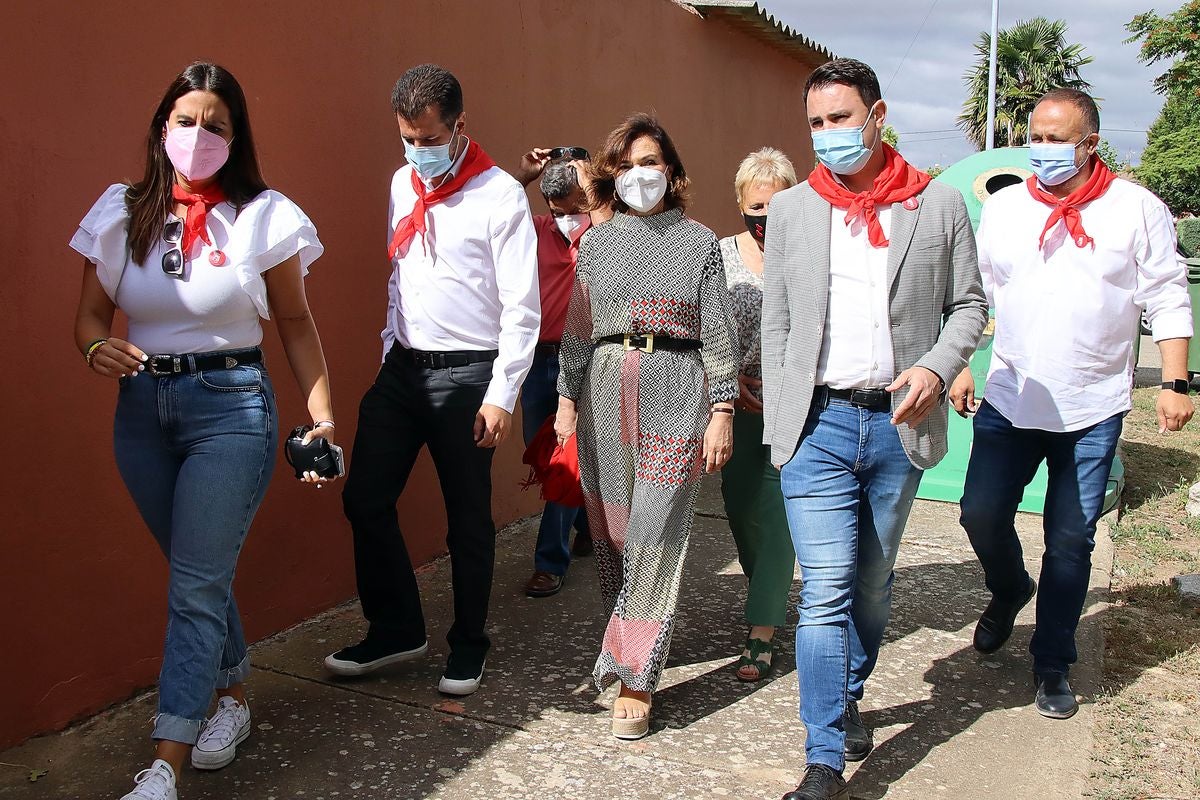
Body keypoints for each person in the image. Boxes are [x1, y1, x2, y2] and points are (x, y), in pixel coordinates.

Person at [71, 62, 334, 800]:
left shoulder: (262, 214)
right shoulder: (120, 212)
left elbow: (294, 322)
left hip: (231, 408)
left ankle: (164, 764)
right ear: (162, 127)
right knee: (199, 571)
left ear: (236, 136)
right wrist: (96, 348)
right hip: (142, 414)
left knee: (193, 585)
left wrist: (323, 419)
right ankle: (232, 697)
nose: (198, 136)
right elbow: (89, 319)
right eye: (185, 120)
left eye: (215, 124)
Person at [760, 58, 988, 800]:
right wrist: (779, 414)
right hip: (818, 424)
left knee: (871, 580)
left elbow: (969, 306)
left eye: (840, 119)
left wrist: (934, 366)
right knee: (823, 586)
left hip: (899, 426)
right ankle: (823, 756)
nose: (828, 135)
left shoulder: (939, 204)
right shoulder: (793, 209)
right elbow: (780, 318)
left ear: (877, 114)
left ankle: (851, 688)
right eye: (816, 124)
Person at [953, 88, 1193, 720]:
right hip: (1011, 394)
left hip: (1093, 404)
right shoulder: (1005, 209)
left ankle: (1052, 661)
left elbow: (1167, 295)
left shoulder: (1137, 209)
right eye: (1037, 134)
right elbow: (977, 297)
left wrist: (1173, 381)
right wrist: (956, 365)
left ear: (1091, 143)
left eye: (1058, 138)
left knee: (1070, 539)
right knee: (979, 512)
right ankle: (1008, 590)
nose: (1044, 148)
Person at [326, 64, 540, 697]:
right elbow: (399, 272)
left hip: (470, 373)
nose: (417, 152)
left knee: (466, 518)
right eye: (407, 139)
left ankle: (468, 644)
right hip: (404, 369)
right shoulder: (401, 184)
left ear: (459, 126)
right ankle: (396, 628)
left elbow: (521, 307)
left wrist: (501, 394)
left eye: (427, 138)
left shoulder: (500, 194)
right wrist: (390, 347)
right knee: (364, 498)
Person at [555, 113, 739, 741]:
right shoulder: (597, 244)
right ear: (614, 173)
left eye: (653, 160)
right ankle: (631, 634)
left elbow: (719, 334)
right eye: (630, 162)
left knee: (655, 532)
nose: (642, 172)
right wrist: (565, 400)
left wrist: (721, 412)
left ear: (673, 170)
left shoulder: (699, 243)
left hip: (678, 388)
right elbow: (578, 325)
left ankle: (637, 675)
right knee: (610, 530)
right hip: (606, 388)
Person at [718, 147, 799, 682]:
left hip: (795, 406)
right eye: (755, 208)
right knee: (743, 509)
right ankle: (766, 594)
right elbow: (704, 328)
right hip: (735, 406)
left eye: (774, 207)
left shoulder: (808, 254)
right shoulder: (718, 255)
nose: (764, 219)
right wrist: (725, 387)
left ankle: (761, 631)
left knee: (777, 515)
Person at [512, 148, 597, 597]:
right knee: (542, 451)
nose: (565, 218)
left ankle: (550, 561)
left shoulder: (606, 233)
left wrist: (595, 193)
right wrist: (521, 177)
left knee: (567, 458)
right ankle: (584, 520)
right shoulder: (537, 231)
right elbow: (494, 215)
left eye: (573, 209)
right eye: (556, 210)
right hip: (537, 357)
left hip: (584, 358)